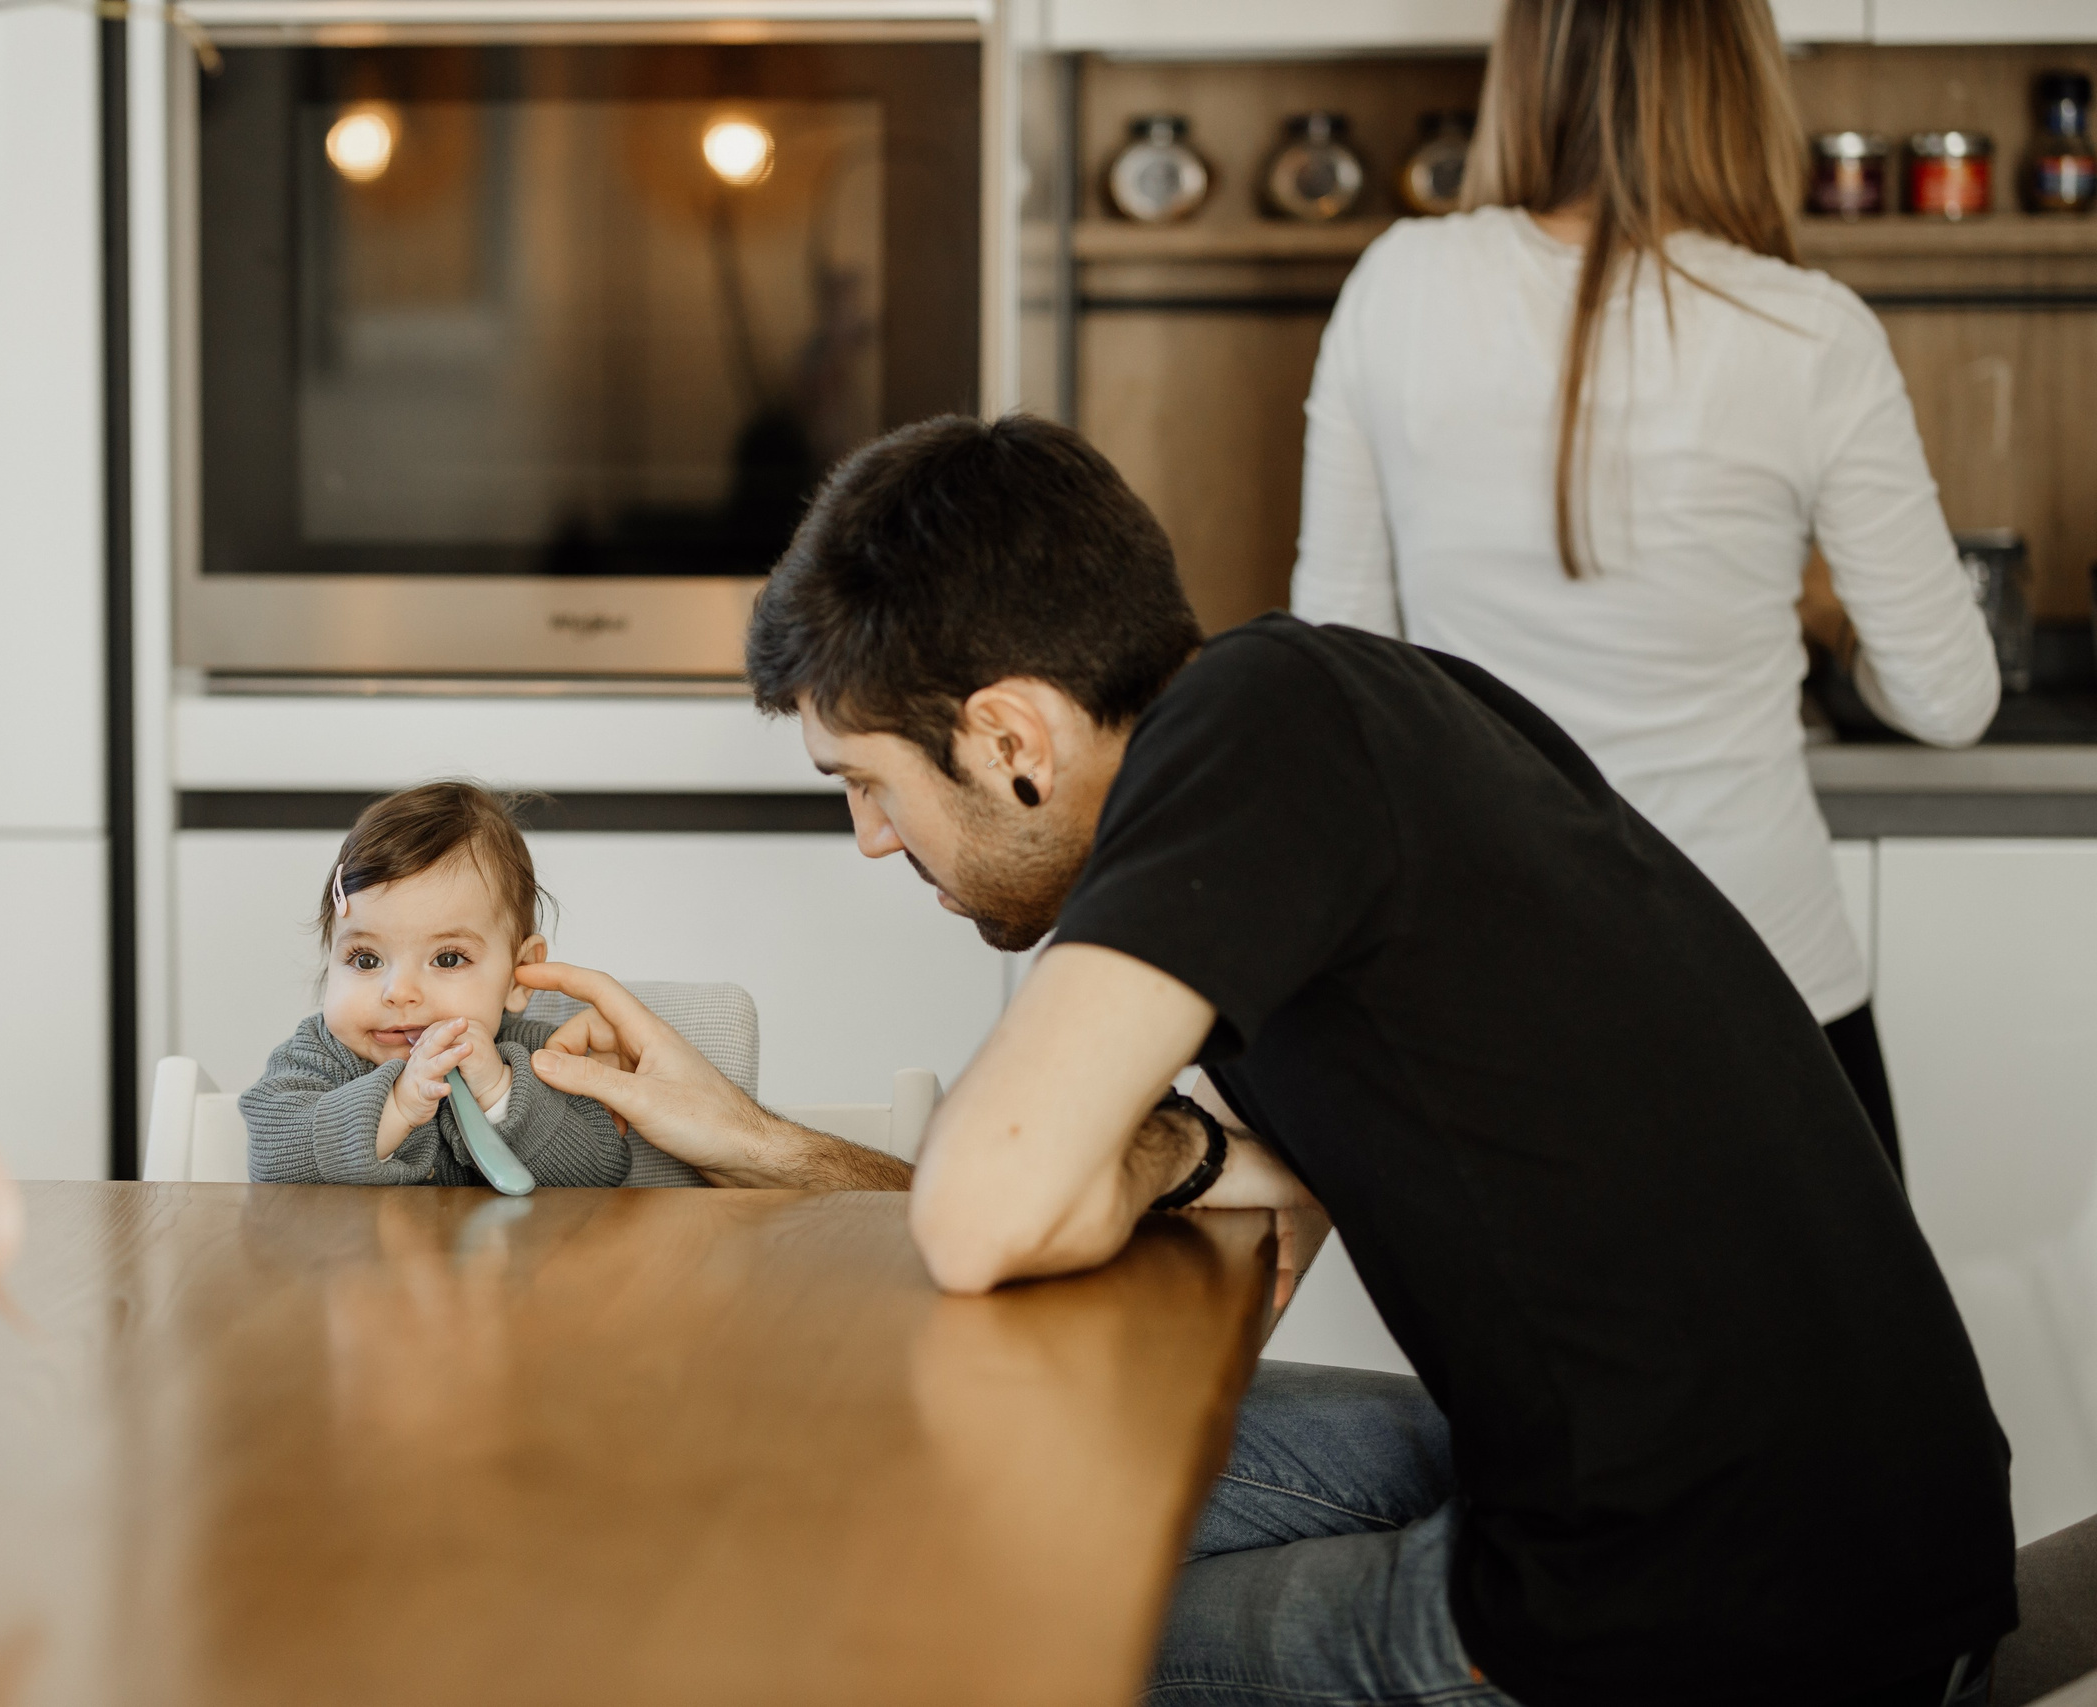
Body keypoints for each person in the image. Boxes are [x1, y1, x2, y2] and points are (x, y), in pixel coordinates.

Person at [519, 411, 2014, 1707]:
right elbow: (1106, 1188)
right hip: (1801, 1517)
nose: (869, 837)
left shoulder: (1253, 739)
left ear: (1010, 734)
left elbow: (991, 1209)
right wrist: (773, 1141)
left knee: (918, 1628)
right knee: (898, 1460)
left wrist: (1172, 1149)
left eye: (870, 783)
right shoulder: (1342, 716)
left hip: (1704, 1618)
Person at [1288, 0, 1997, 1174]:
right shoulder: (1811, 332)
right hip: (1767, 979)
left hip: (1486, 986)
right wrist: (1827, 632)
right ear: (1741, 78)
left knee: (1540, 1364)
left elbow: (1335, 662)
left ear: (1523, 68)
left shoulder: (1398, 284)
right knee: (1831, 1359)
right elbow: (1950, 698)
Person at [242, 781, 700, 1187]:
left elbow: (599, 1170)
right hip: (360, 1277)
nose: (398, 992)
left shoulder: (545, 1058)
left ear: (518, 975)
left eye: (446, 958)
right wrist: (397, 1107)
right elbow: (271, 1155)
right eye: (365, 959)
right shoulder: (318, 1056)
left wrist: (500, 1092)